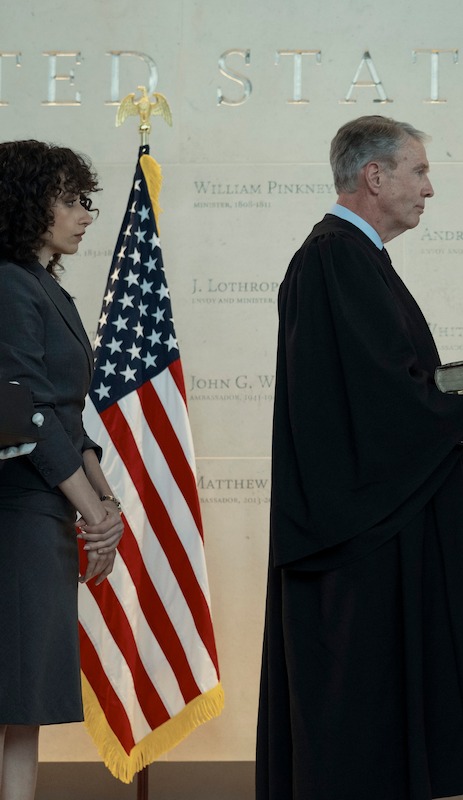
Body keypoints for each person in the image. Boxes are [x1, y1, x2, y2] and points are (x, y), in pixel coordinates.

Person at [257, 115, 463, 800]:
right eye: (419, 171)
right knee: (362, 737)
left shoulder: (350, 258)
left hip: (374, 533)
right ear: (374, 176)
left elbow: (393, 389)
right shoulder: (335, 257)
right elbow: (381, 401)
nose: (430, 189)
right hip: (356, 547)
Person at [0, 140, 125, 800]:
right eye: (73, 200)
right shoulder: (7, 282)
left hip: (43, 514)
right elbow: (25, 411)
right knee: (12, 691)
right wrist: (92, 510)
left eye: (89, 201)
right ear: (30, 203)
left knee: (24, 703)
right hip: (14, 512)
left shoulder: (46, 287)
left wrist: (107, 507)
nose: (85, 214)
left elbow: (70, 419)